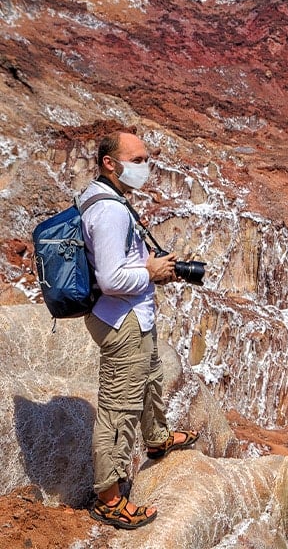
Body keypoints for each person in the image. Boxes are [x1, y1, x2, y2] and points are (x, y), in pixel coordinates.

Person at [80, 131, 199, 529]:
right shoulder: (110, 210)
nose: (144, 167)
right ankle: (109, 497)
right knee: (118, 409)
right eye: (137, 159)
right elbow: (112, 278)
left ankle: (157, 438)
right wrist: (151, 271)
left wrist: (150, 266)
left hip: (131, 313)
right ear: (110, 163)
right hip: (120, 316)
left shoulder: (108, 199)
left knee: (149, 376)